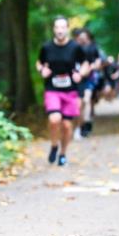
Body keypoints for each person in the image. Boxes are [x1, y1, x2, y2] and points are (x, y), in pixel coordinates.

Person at [37, 16, 90, 166]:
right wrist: (42, 70)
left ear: (67, 29)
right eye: (57, 27)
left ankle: (63, 153)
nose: (60, 30)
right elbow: (39, 62)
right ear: (54, 29)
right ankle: (54, 145)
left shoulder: (75, 47)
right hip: (52, 89)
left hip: (70, 90)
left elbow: (86, 63)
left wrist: (81, 74)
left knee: (67, 125)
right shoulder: (47, 47)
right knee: (54, 119)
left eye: (62, 27)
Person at [74, 28, 103, 137]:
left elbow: (98, 61)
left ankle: (86, 122)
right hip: (76, 79)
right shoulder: (74, 48)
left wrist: (92, 67)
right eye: (80, 37)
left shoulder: (93, 47)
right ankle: (82, 124)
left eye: (84, 37)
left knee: (87, 100)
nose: (82, 39)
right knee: (80, 103)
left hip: (90, 78)